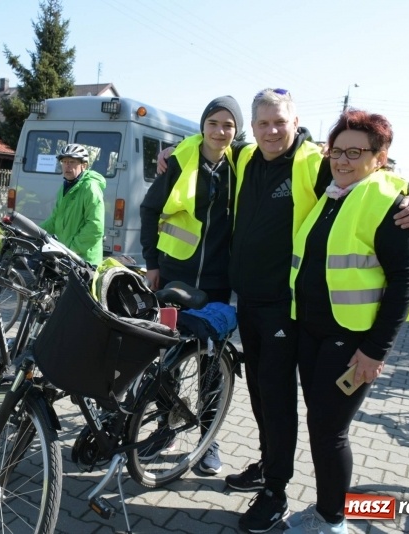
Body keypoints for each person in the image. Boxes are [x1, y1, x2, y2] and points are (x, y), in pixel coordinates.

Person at [155, 89, 409, 534]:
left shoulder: (314, 161)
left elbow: (378, 179)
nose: (271, 131)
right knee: (261, 395)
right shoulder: (244, 157)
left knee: (279, 401)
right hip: (249, 303)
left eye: (280, 122)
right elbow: (208, 141)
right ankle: (268, 466)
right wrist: (174, 150)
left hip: (287, 309)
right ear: (253, 128)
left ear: (296, 122)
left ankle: (276, 493)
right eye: (262, 124)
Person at [285, 109, 409, 534]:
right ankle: (328, 507)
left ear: (380, 157)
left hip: (354, 340)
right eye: (336, 151)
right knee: (320, 423)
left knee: (330, 430)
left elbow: (406, 281)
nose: (342, 160)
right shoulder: (332, 194)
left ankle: (333, 520)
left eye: (355, 152)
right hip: (312, 331)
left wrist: (375, 351)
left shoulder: (389, 203)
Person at [140, 95, 243, 475]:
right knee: (165, 357)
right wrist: (152, 263)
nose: (220, 131)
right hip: (173, 279)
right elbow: (150, 209)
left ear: (237, 131)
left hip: (217, 283)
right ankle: (165, 425)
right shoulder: (180, 160)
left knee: (211, 364)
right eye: (213, 123)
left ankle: (207, 437)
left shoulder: (243, 165)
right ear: (202, 126)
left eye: (228, 125)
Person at [39, 143, 105, 266]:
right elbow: (54, 219)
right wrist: (34, 233)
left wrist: (70, 248)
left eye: (72, 162)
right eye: (64, 162)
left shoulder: (90, 187)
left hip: (84, 261)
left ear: (84, 166)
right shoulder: (65, 187)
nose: (67, 166)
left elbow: (95, 227)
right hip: (67, 258)